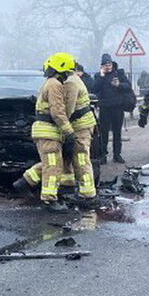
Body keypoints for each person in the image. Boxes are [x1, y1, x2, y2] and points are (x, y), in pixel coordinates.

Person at [12, 52, 77, 212]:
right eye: (67, 73)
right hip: (48, 131)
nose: (68, 76)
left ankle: (24, 182)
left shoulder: (49, 82)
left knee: (52, 163)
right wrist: (69, 132)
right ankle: (49, 200)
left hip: (46, 130)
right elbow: (57, 112)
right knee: (53, 166)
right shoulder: (54, 84)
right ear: (61, 70)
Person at [63, 66, 99, 203]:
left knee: (81, 158)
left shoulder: (71, 82)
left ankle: (88, 194)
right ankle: (69, 187)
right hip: (79, 125)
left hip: (80, 126)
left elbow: (68, 109)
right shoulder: (73, 79)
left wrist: (60, 123)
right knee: (72, 158)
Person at [92, 52, 131, 163]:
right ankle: (103, 155)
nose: (108, 67)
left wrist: (119, 85)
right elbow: (94, 89)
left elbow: (128, 86)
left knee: (117, 132)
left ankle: (117, 154)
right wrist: (101, 76)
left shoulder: (119, 73)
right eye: (105, 65)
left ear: (112, 64)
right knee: (103, 133)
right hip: (105, 107)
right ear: (102, 66)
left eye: (109, 65)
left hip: (118, 107)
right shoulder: (98, 76)